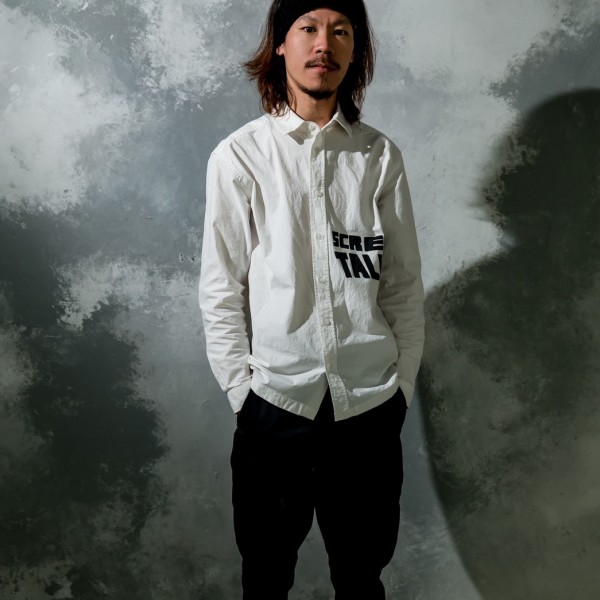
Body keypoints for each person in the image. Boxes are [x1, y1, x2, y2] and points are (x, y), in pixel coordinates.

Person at [199, 1, 425, 598]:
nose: (324, 44)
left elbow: (402, 286)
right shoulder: (240, 156)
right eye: (308, 28)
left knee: (362, 578)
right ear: (281, 43)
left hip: (369, 410)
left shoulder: (379, 157)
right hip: (275, 407)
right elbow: (221, 289)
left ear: (355, 50)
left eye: (341, 31)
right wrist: (242, 394)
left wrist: (400, 389)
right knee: (266, 578)